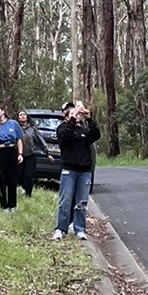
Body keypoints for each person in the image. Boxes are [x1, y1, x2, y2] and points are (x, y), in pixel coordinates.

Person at [53, 99, 100, 242]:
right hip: (69, 170)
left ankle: (79, 228)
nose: (76, 115)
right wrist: (73, 118)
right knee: (65, 201)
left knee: (82, 202)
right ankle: (61, 228)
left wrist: (88, 117)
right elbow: (65, 138)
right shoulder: (62, 129)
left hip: (84, 171)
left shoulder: (83, 130)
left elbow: (96, 134)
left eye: (76, 112)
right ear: (65, 115)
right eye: (71, 113)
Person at [0, 104, 23, 210]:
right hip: (0, 153)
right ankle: (4, 205)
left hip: (12, 152)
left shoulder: (13, 124)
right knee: (1, 180)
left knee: (12, 179)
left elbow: (19, 139)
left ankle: (12, 205)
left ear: (3, 111)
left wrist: (20, 154)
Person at [16, 110, 37, 198]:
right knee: (19, 175)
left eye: (24, 114)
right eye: (21, 115)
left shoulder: (32, 129)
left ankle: (28, 194)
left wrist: (47, 152)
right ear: (18, 118)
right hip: (19, 155)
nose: (23, 116)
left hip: (31, 155)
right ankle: (24, 188)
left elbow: (40, 140)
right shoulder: (15, 128)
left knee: (28, 175)